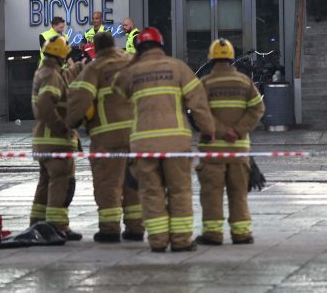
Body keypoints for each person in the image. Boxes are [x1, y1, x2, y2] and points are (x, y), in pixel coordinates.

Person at [112, 27, 214, 253]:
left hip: (144, 144)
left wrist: (133, 61)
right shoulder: (177, 68)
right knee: (179, 191)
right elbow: (198, 102)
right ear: (161, 45)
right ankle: (181, 241)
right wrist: (208, 130)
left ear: (139, 49)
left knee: (150, 192)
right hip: (176, 143)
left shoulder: (132, 72)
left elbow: (116, 88)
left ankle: (157, 241)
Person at [65, 31, 143, 243]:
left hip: (108, 136)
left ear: (97, 49)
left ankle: (109, 229)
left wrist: (70, 123)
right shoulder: (131, 61)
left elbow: (81, 99)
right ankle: (136, 228)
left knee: (108, 183)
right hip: (137, 135)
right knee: (133, 182)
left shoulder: (95, 68)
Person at [195, 38, 265, 246]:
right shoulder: (245, 83)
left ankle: (213, 234)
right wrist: (238, 131)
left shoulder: (205, 83)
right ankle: (242, 234)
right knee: (238, 194)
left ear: (211, 59)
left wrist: (223, 131)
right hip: (238, 150)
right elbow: (258, 109)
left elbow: (200, 112)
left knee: (211, 194)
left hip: (213, 151)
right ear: (232, 58)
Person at [30, 35, 82, 239]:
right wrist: (62, 127)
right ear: (61, 55)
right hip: (56, 141)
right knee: (61, 183)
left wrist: (79, 67)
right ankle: (57, 227)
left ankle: (37, 224)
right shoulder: (52, 75)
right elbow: (45, 104)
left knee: (45, 184)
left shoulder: (45, 72)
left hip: (43, 141)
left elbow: (63, 79)